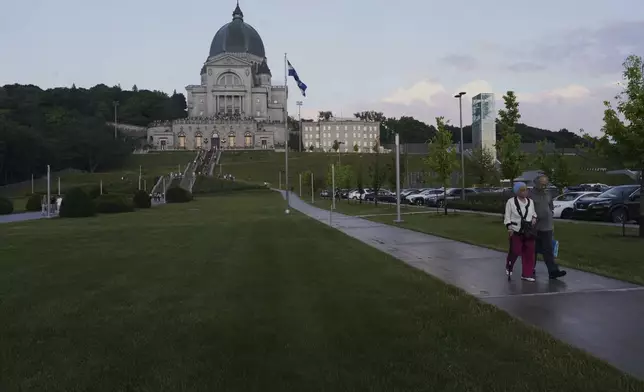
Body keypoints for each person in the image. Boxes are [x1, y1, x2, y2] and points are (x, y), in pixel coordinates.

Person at [532, 175, 567, 279]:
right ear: (536, 183)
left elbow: (550, 206)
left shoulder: (548, 193)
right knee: (532, 249)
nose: (543, 186)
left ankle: (553, 271)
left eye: (545, 184)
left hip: (547, 226)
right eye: (542, 184)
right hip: (534, 226)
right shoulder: (530, 194)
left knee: (548, 249)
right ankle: (530, 269)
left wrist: (550, 214)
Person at [504, 182, 538, 282]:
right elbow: (507, 216)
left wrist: (534, 218)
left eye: (526, 190)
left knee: (529, 252)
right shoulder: (511, 202)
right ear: (517, 192)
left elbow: (533, 212)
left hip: (528, 231)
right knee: (515, 251)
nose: (525, 192)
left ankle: (527, 274)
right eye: (522, 190)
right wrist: (509, 227)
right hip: (516, 230)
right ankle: (509, 266)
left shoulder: (530, 202)